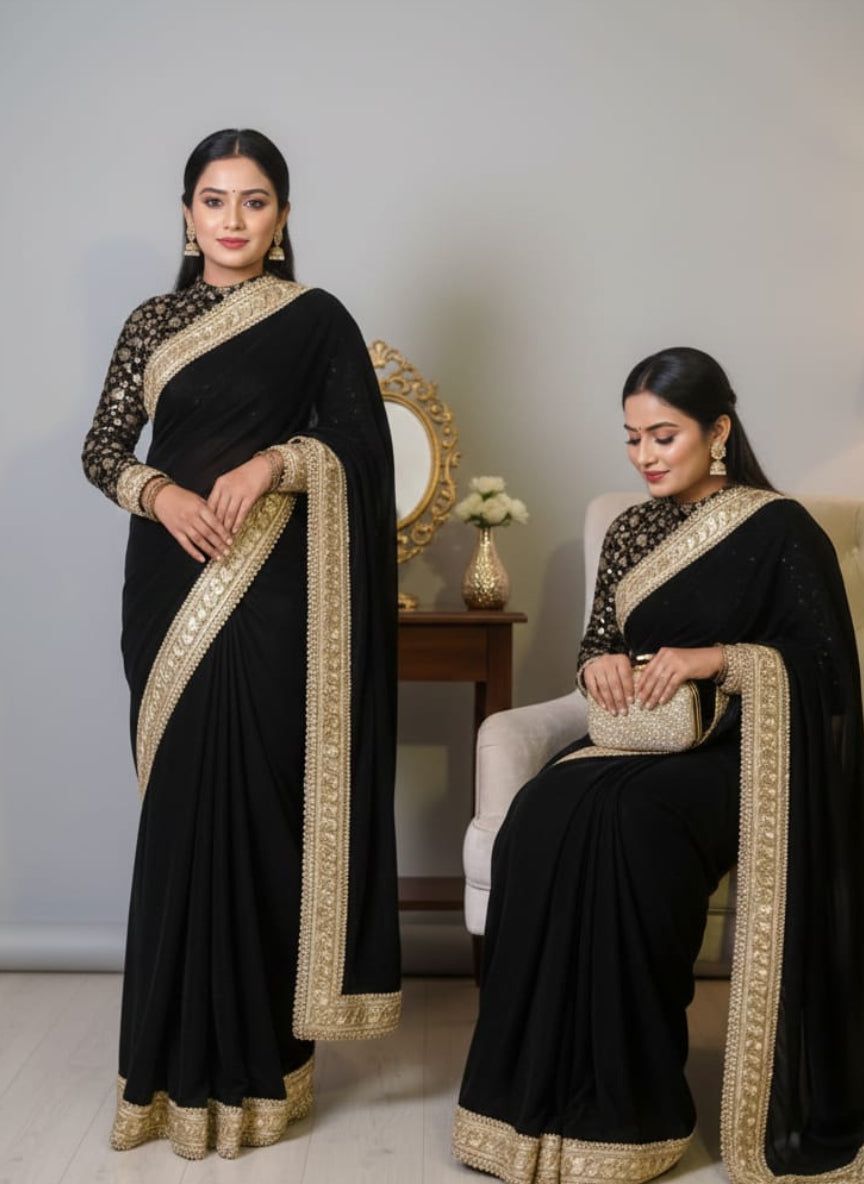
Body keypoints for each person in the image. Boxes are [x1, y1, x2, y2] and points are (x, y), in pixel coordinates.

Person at [452, 347, 864, 1184]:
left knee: (631, 825)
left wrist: (721, 658)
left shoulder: (779, 528)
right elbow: (599, 642)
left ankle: (627, 1110)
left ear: (717, 431)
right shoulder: (633, 530)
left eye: (664, 436)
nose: (645, 455)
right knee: (539, 815)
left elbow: (826, 674)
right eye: (633, 437)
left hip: (740, 756)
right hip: (636, 738)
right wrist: (596, 668)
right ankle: (524, 1105)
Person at [82, 128, 401, 1161]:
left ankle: (263, 1070)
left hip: (277, 599)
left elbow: (362, 449)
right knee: (181, 822)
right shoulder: (152, 322)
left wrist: (278, 460)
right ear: (186, 213)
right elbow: (101, 446)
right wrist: (159, 489)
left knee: (262, 812)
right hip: (167, 589)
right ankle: (166, 1074)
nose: (231, 218)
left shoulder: (318, 321)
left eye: (253, 200)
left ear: (283, 215)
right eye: (213, 200)